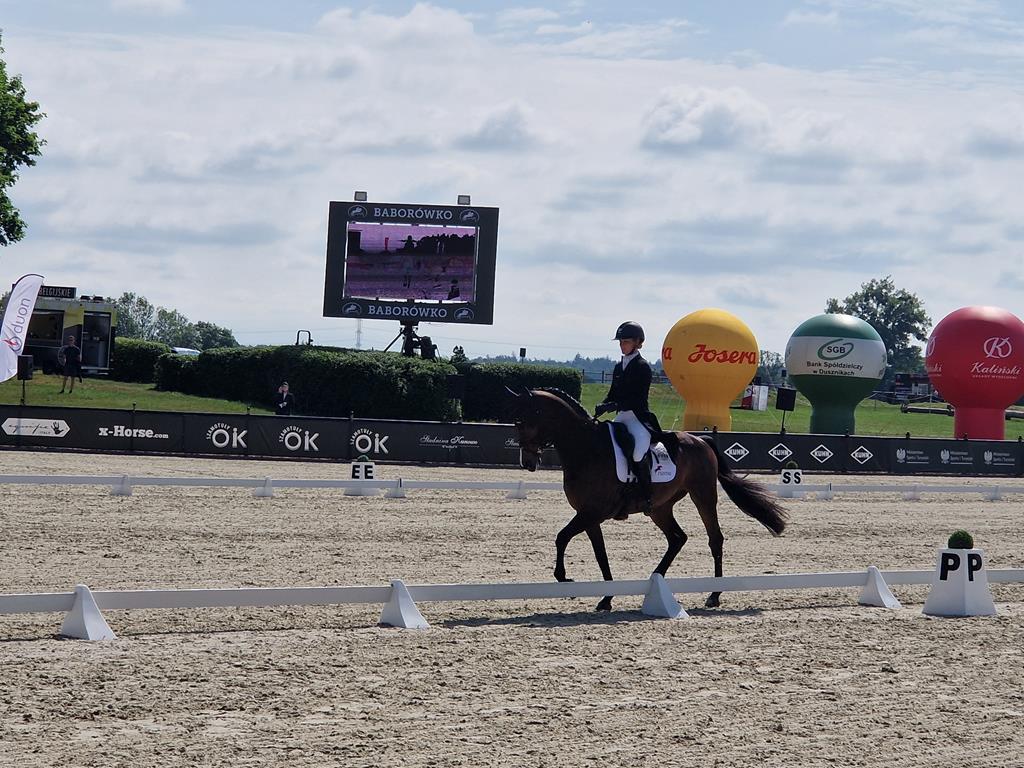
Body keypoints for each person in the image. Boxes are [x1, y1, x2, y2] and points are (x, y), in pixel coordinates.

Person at [593, 321, 658, 515]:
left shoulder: (643, 367)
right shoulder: (618, 367)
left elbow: (637, 399)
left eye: (626, 341)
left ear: (638, 342)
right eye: (621, 342)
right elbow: (613, 394)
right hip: (622, 417)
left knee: (637, 453)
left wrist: (613, 406)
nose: (622, 345)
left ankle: (647, 496)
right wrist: (603, 405)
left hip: (638, 418)